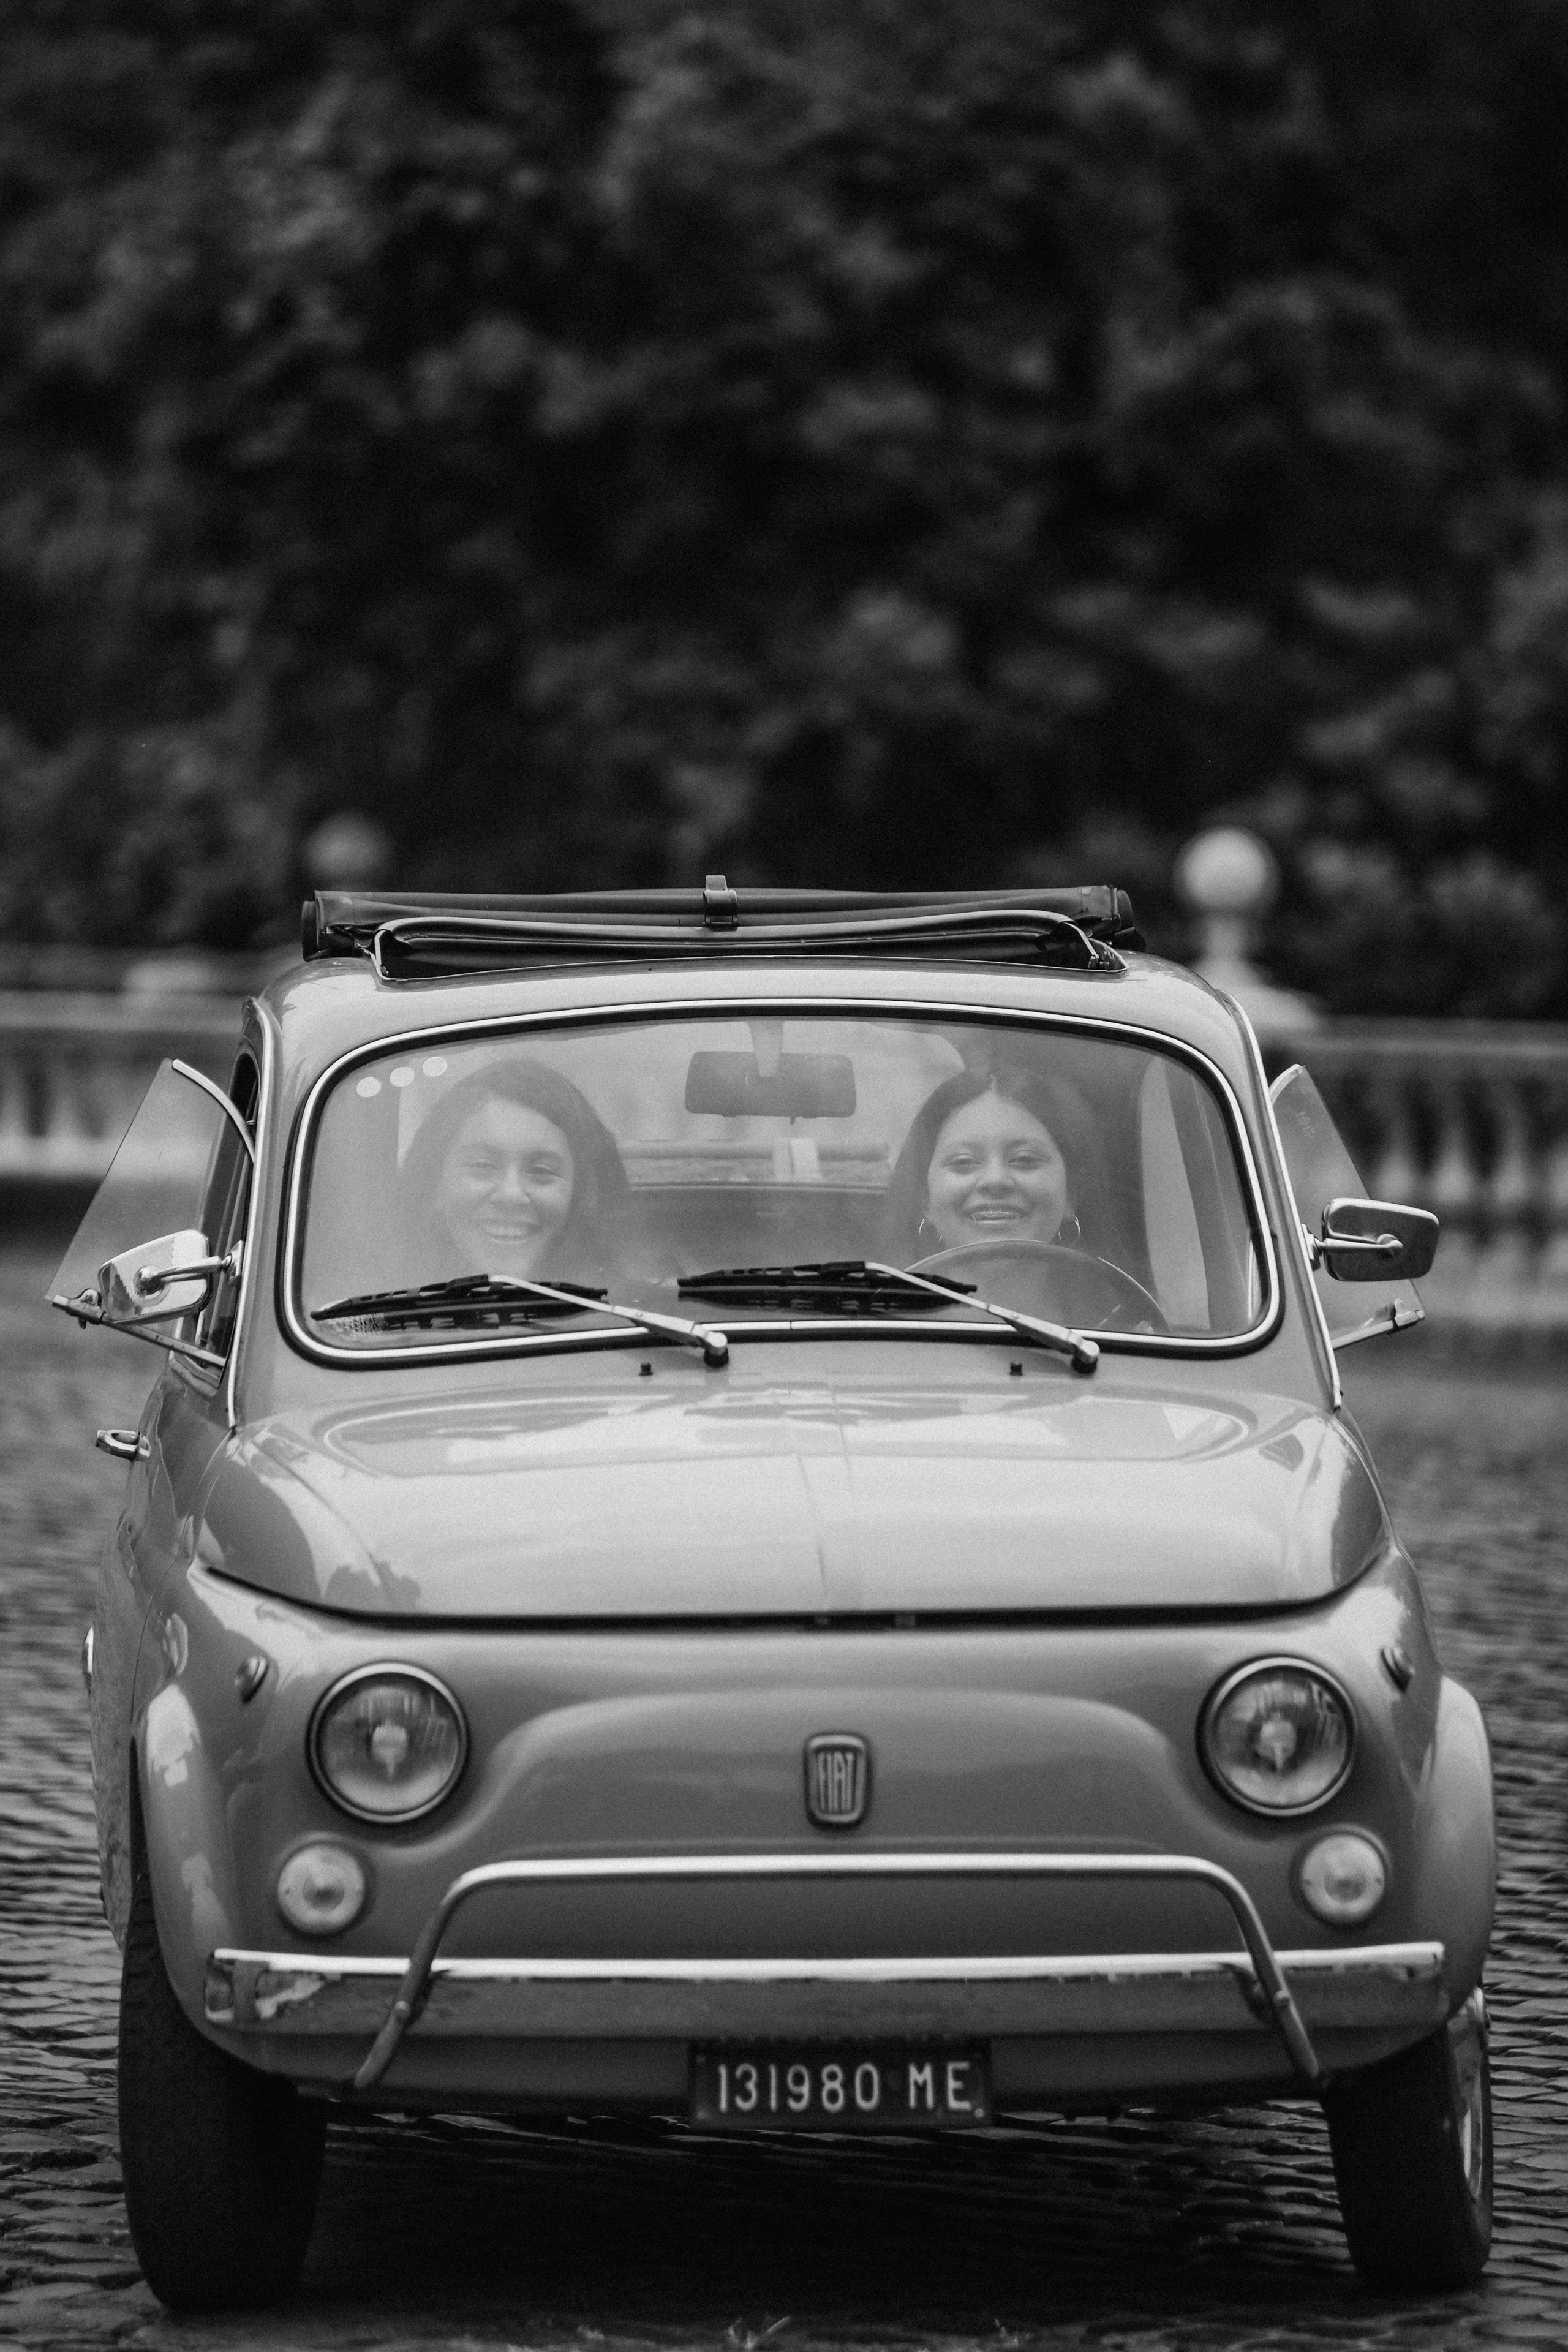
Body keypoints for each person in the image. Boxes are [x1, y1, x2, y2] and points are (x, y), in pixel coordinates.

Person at [398, 1060, 634, 1286]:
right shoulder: (377, 1308)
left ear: (582, 1195)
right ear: (435, 1185)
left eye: (541, 1171)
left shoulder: (638, 1319)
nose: (511, 1195)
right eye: (482, 1166)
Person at [883, 1066, 1102, 1265]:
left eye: (1024, 1159)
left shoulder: (1129, 1305)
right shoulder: (869, 1305)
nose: (995, 1180)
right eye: (964, 1161)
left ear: (1072, 1192)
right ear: (924, 1196)